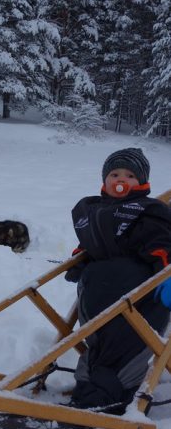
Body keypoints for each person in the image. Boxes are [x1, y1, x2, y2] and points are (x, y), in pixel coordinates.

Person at [65, 147, 171, 413]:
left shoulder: (148, 212)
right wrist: (80, 259)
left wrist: (167, 272)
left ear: (142, 182)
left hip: (137, 292)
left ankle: (111, 391)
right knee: (99, 339)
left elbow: (162, 243)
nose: (120, 180)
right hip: (97, 293)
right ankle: (91, 384)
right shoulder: (96, 210)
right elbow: (93, 242)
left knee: (126, 340)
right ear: (104, 180)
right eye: (114, 174)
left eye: (129, 175)